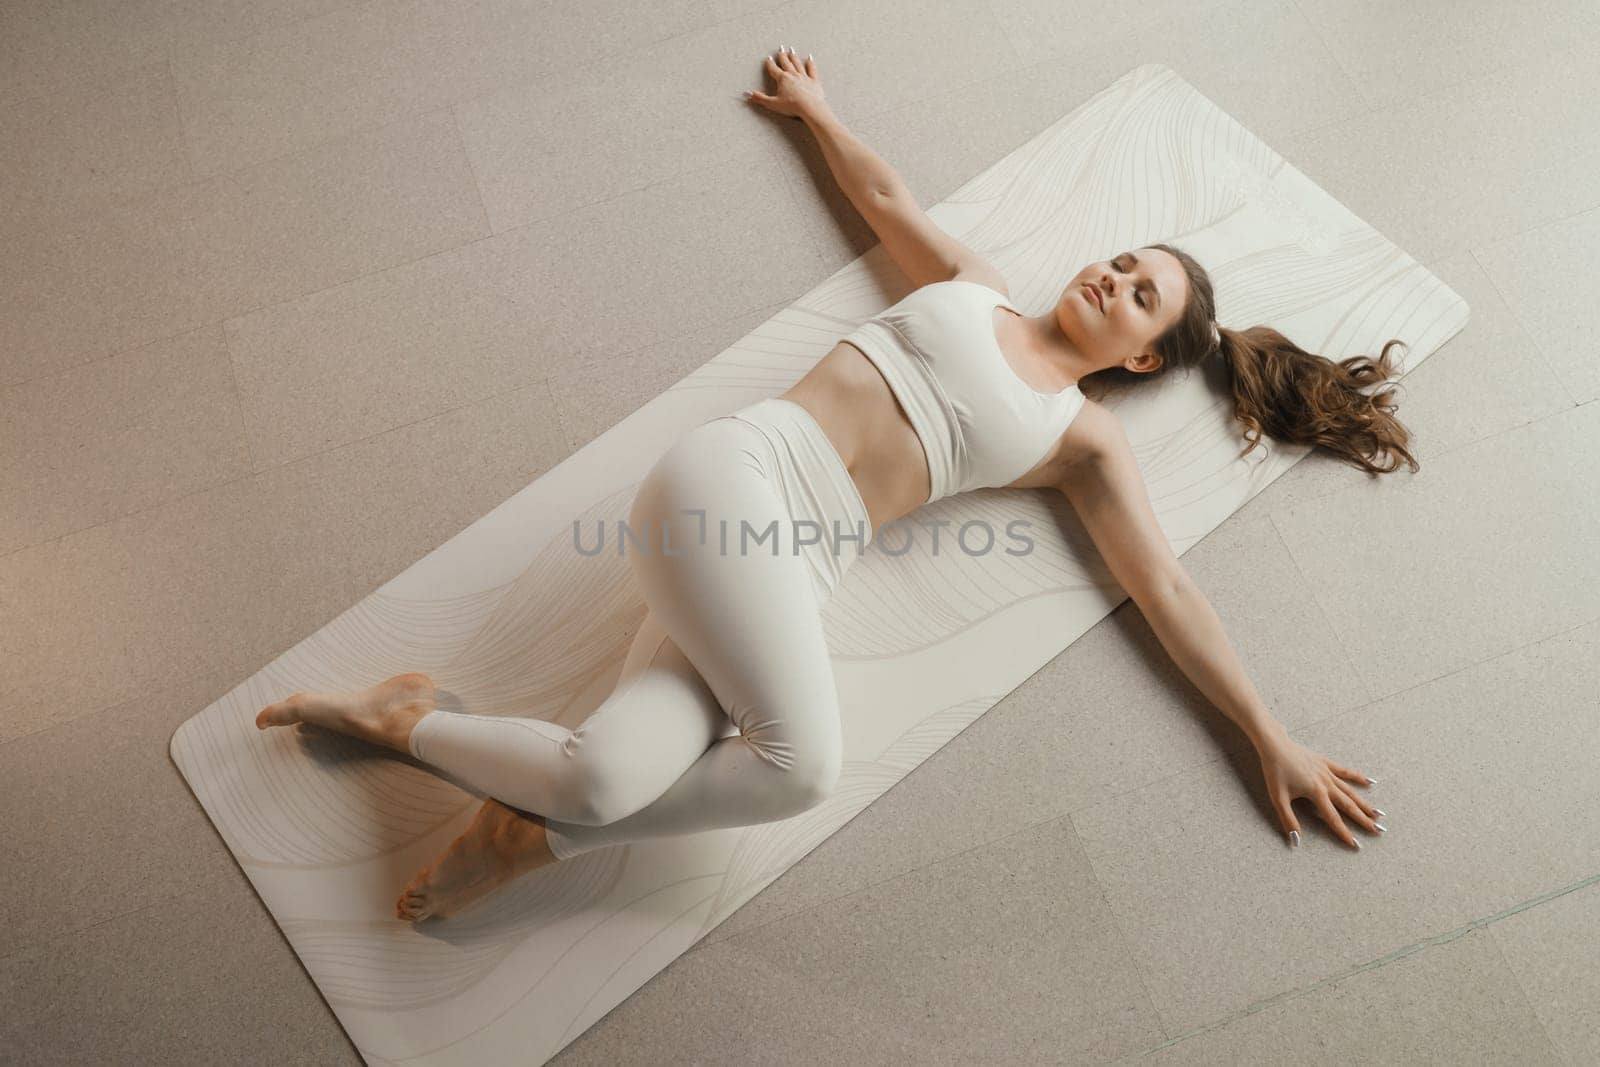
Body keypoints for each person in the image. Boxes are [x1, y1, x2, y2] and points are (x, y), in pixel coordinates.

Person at [256, 47, 1409, 922]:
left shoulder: (1081, 439)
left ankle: (477, 782)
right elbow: (888, 202)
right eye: (1120, 260)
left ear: (1145, 357)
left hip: (788, 568)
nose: (1113, 279)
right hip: (740, 477)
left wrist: (1270, 734)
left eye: (1141, 294)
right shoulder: (979, 288)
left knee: (605, 779)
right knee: (800, 762)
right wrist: (820, 113)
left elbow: (1166, 590)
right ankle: (450, 767)